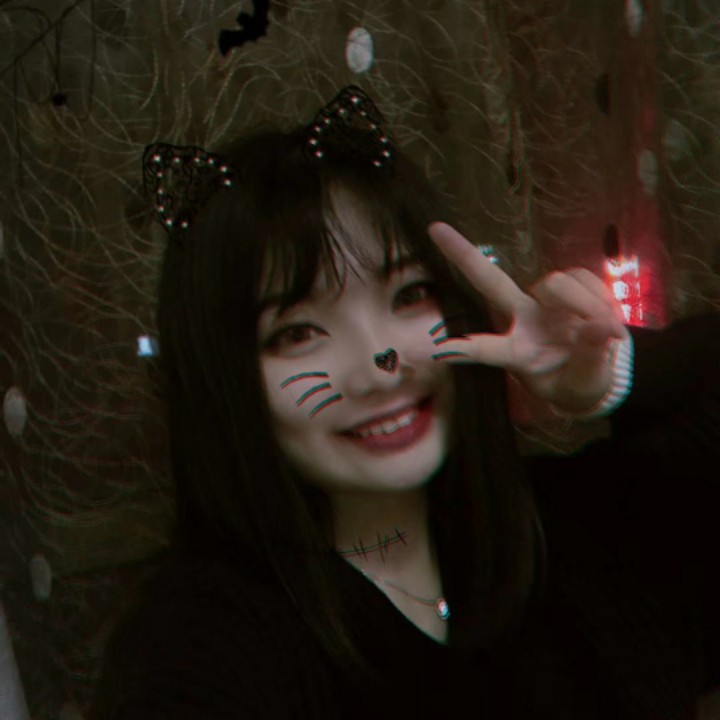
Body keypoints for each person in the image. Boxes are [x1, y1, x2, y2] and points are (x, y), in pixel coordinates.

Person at [90, 86, 720, 719]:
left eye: (409, 296)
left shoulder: (571, 532)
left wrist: (616, 374)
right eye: (297, 333)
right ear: (224, 382)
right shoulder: (204, 640)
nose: (379, 366)